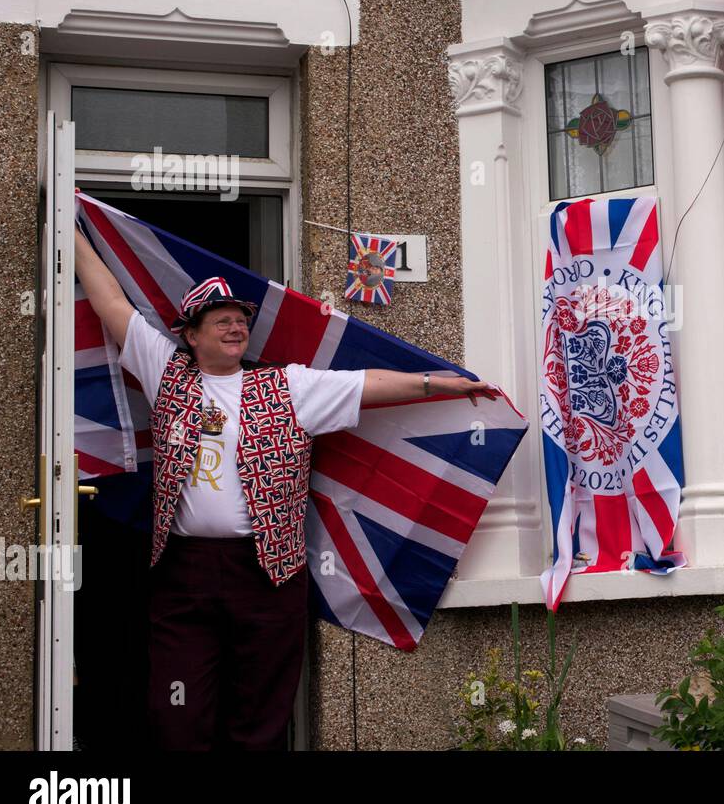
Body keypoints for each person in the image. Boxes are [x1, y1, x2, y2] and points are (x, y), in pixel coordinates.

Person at [73, 229, 495, 750]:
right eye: (221, 321)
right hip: (185, 571)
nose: (235, 328)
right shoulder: (166, 372)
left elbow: (368, 384)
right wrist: (71, 231)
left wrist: (439, 383)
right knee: (175, 711)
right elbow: (111, 301)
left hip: (267, 573)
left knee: (261, 714)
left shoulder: (288, 386)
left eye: (240, 321)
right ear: (192, 335)